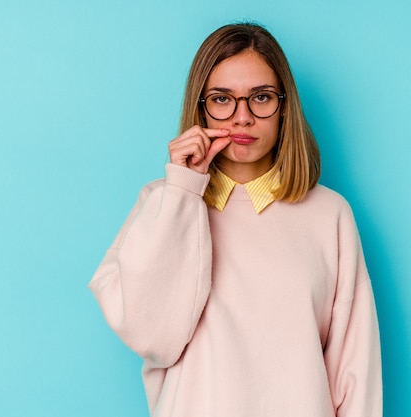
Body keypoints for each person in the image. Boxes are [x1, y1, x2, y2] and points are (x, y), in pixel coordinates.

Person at [89, 22, 382, 417]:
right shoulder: (163, 202)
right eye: (222, 99)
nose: (242, 117)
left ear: (284, 106)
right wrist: (183, 189)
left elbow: (355, 370)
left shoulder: (330, 214)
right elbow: (151, 334)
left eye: (260, 97)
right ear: (200, 107)